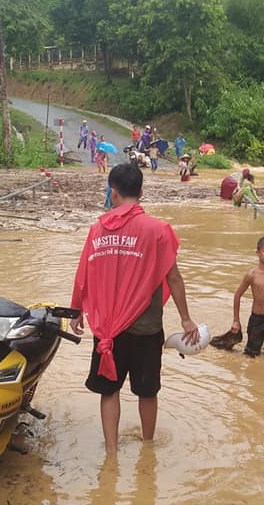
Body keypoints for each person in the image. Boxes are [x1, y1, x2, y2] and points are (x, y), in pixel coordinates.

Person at [70, 163, 200, 452]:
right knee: (147, 392)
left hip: (107, 327)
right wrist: (186, 319)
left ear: (112, 193)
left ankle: (112, 454)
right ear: (141, 192)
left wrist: (77, 309)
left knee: (109, 390)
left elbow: (84, 274)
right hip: (146, 326)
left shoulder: (97, 230)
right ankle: (148, 449)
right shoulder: (158, 230)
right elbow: (173, 277)